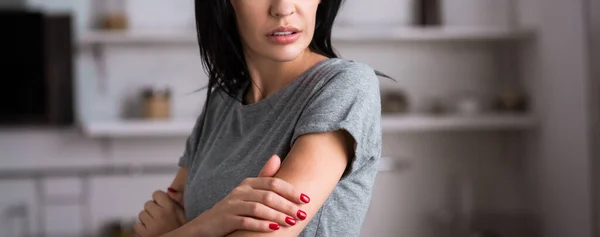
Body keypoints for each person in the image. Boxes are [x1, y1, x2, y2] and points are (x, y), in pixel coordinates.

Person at [134, 0, 383, 236]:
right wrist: (215, 220)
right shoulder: (220, 104)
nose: (283, 8)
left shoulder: (344, 85)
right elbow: (165, 211)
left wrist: (197, 227)